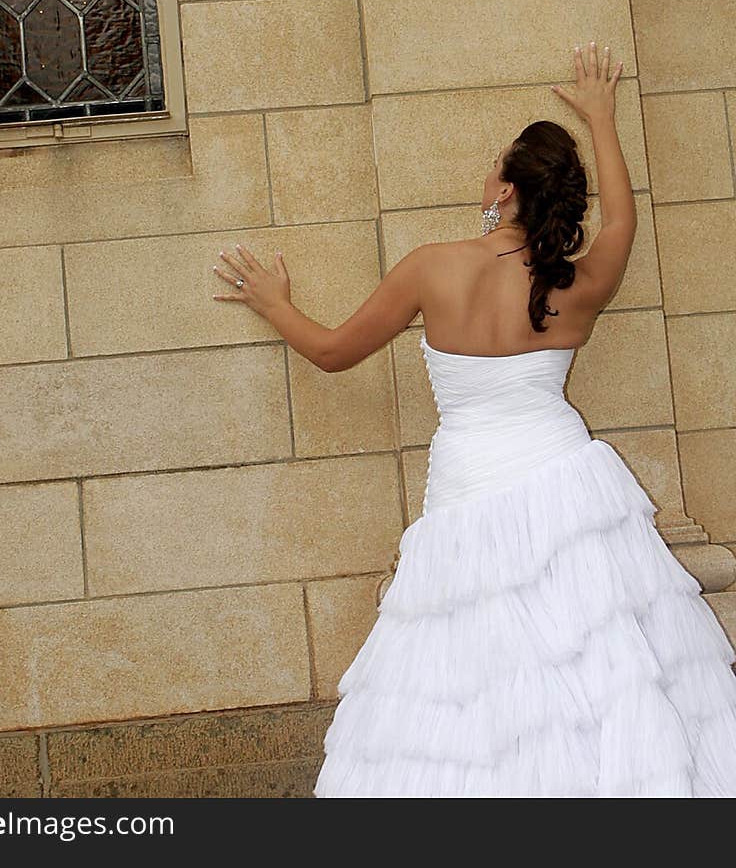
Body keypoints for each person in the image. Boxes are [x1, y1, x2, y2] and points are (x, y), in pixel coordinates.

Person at [211, 41, 736, 797]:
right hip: (567, 481)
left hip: (468, 484)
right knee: (597, 661)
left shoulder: (433, 266)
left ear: (506, 188)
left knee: (470, 664)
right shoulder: (581, 285)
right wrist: (602, 117)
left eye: (495, 166)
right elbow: (620, 219)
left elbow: (331, 353)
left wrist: (274, 303)